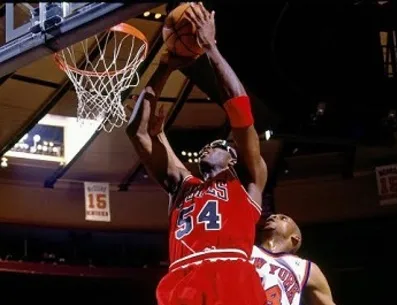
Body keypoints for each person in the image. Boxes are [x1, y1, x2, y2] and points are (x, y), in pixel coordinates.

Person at [126, 2, 267, 305]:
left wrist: (210, 48)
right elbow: (136, 131)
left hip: (230, 277)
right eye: (206, 145)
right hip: (182, 282)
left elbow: (240, 111)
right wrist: (165, 66)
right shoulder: (182, 185)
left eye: (218, 144)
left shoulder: (246, 179)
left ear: (234, 158)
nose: (209, 146)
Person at [252, 214, 336, 305]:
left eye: (283, 218)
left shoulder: (306, 268)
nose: (272, 217)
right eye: (271, 217)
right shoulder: (246, 251)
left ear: (296, 238)